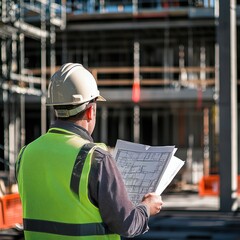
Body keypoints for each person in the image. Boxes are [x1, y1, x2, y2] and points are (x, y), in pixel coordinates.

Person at [15, 63, 163, 240]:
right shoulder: (94, 158)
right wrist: (147, 207)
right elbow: (127, 224)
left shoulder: (26, 154)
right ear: (91, 111)